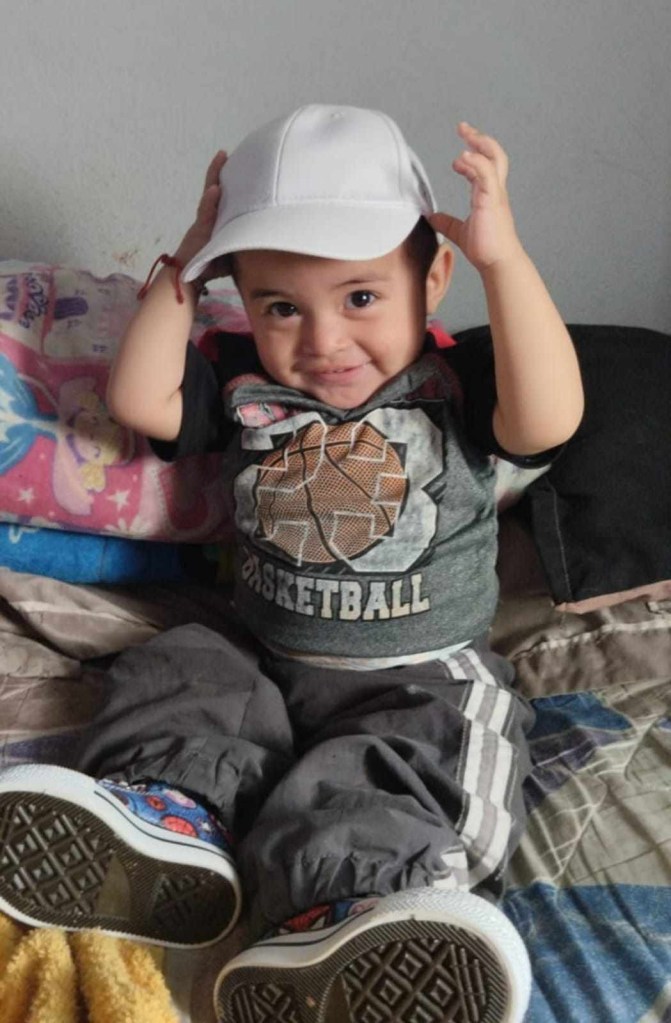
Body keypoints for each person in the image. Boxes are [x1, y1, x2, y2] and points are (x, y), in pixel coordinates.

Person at [0, 105, 583, 1023]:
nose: (322, 339)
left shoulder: (456, 385)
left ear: (432, 278)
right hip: (265, 655)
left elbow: (548, 418)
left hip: (416, 671)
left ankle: (346, 911)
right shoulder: (242, 384)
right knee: (184, 660)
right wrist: (187, 263)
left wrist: (502, 262)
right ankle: (169, 818)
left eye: (361, 298)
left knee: (407, 760)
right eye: (281, 306)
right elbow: (138, 399)